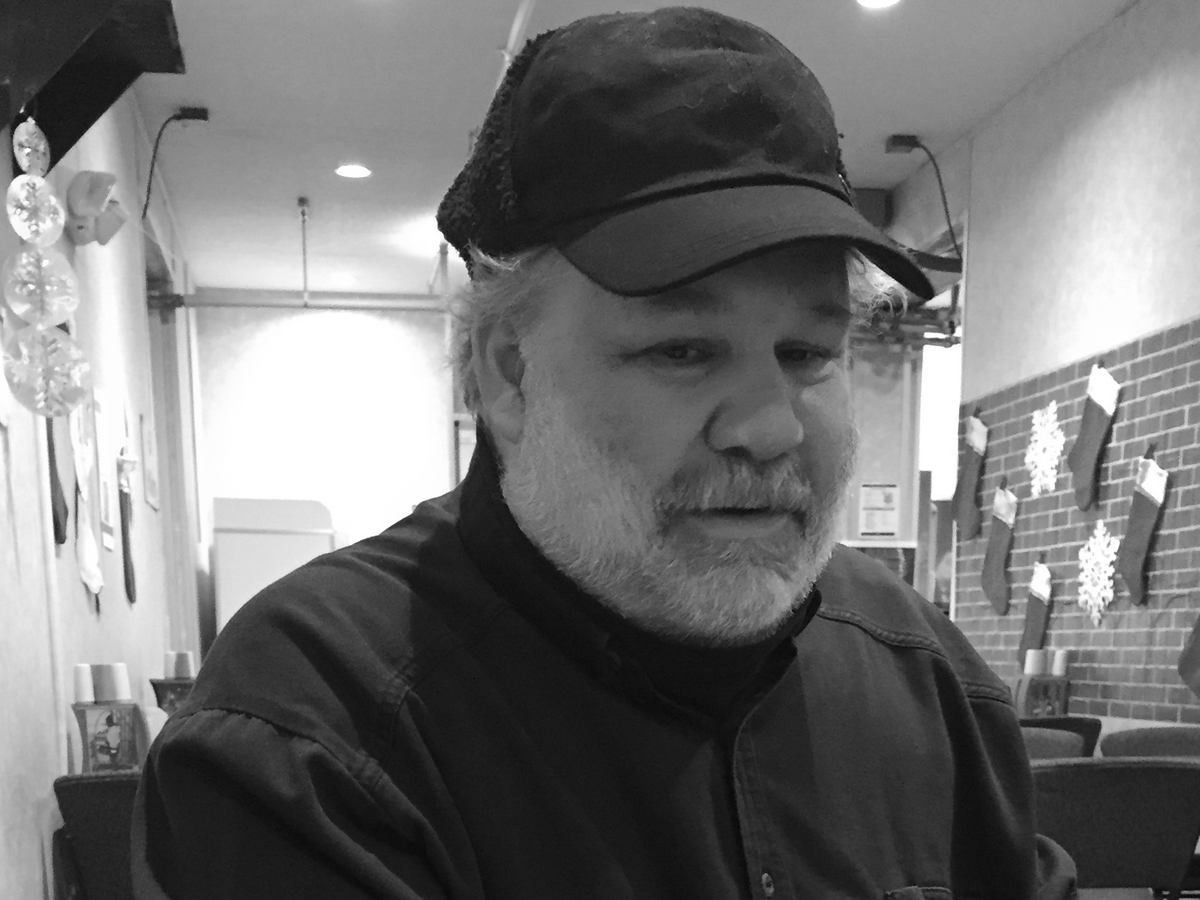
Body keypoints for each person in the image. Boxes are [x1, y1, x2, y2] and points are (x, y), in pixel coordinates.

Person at [132, 8, 1077, 898]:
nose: (771, 428)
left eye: (807, 353)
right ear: (509, 374)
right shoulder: (312, 730)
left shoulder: (927, 680)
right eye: (682, 351)